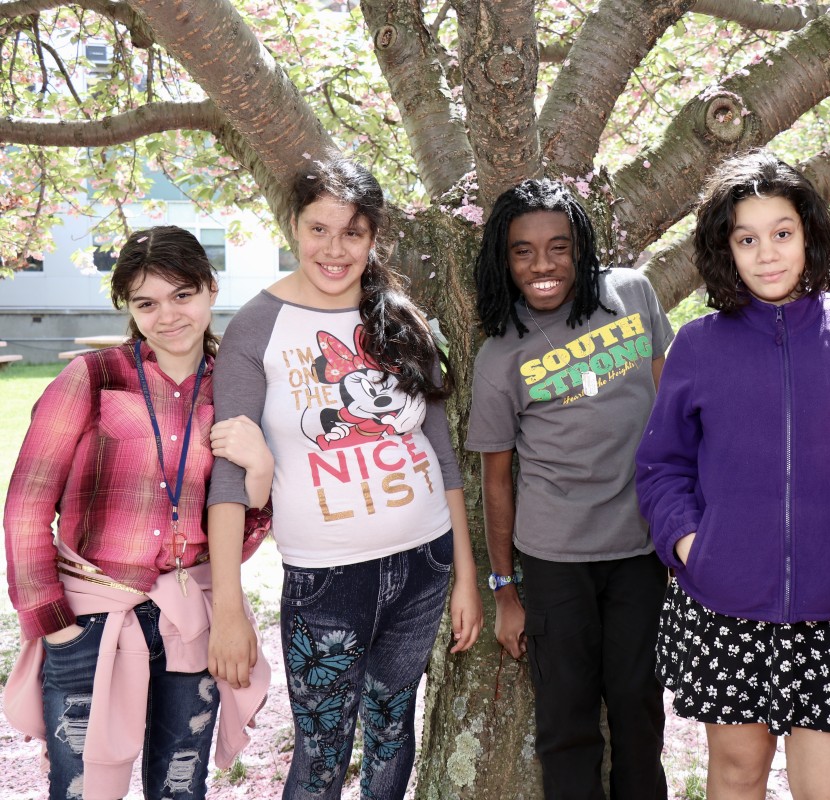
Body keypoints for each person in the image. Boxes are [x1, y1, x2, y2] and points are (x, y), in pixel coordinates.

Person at [635, 150, 830, 800]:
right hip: (726, 607)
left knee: (827, 791)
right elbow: (661, 464)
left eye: (781, 233)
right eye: (747, 238)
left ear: (808, 233)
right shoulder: (697, 345)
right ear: (725, 249)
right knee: (735, 780)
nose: (767, 254)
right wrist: (691, 546)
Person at [205, 156, 482, 798]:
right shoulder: (257, 326)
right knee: (323, 751)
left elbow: (442, 458)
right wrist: (227, 605)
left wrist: (465, 576)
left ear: (372, 236)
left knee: (391, 731)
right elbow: (226, 480)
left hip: (425, 566)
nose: (334, 249)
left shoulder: (401, 318)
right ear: (293, 228)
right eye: (318, 230)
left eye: (352, 232)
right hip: (327, 579)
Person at [3, 226, 274, 800]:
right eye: (146, 303)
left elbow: (240, 537)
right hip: (89, 619)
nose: (168, 315)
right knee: (81, 792)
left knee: (180, 788)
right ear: (129, 307)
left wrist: (262, 475)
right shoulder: (94, 377)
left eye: (182, 295)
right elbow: (27, 505)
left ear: (210, 287)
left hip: (191, 620)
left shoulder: (236, 389)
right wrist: (54, 624)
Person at [467, 178, 673, 800]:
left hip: (640, 549)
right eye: (523, 251)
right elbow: (495, 479)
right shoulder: (501, 356)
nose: (543, 265)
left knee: (639, 712)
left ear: (580, 248)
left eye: (558, 247)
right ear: (504, 261)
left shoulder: (631, 294)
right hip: (555, 558)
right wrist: (505, 590)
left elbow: (670, 408)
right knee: (566, 722)